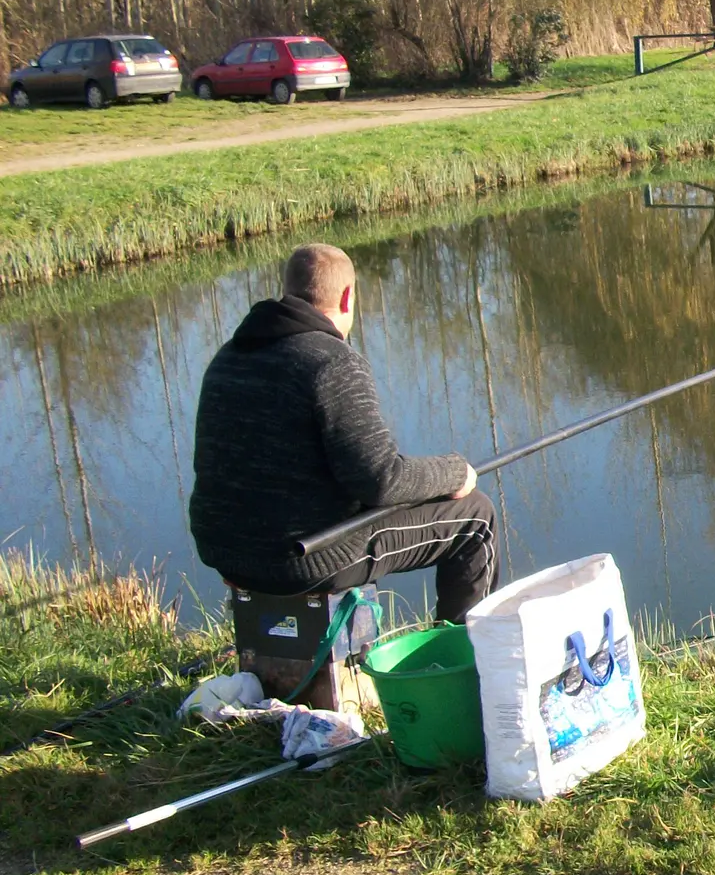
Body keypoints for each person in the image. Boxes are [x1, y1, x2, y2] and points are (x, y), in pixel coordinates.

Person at [190, 243, 498, 623]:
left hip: (226, 552)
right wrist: (455, 472)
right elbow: (380, 480)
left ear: (287, 291)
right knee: (475, 517)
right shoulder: (332, 361)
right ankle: (465, 658)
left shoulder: (226, 358)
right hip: (305, 557)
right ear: (347, 296)